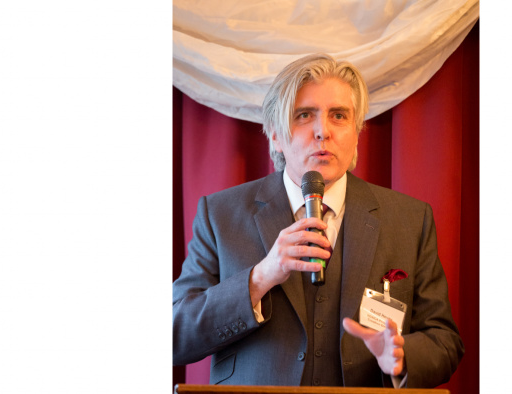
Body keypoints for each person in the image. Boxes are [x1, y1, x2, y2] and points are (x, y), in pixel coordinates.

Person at [173, 53, 464, 387]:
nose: (322, 131)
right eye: (303, 115)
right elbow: (175, 334)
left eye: (338, 116)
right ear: (275, 136)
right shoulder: (220, 215)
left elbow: (444, 342)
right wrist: (261, 277)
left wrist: (402, 356)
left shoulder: (410, 220)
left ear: (357, 133)